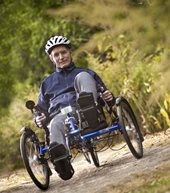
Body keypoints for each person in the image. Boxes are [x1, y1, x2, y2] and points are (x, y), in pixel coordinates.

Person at [34, 35, 114, 180]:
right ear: (52, 59)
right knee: (56, 124)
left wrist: (107, 96)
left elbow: (104, 94)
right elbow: (40, 109)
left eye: (63, 52)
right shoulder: (47, 83)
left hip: (82, 109)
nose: (61, 57)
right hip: (60, 116)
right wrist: (38, 118)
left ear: (70, 52)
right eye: (56, 55)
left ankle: (89, 115)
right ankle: (61, 161)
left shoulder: (86, 73)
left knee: (83, 77)